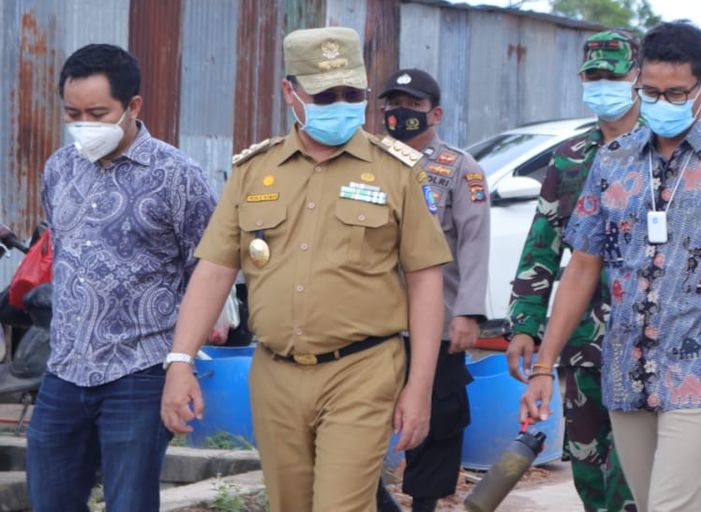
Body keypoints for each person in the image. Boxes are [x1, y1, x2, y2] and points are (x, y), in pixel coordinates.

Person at [160, 26, 450, 512]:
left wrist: (419, 388)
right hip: (275, 372)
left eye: (351, 93)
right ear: (290, 93)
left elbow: (425, 283)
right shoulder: (255, 170)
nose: (341, 104)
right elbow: (213, 269)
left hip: (363, 370)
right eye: (325, 94)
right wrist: (180, 362)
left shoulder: (396, 171)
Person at [520, 20, 701, 512]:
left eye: (675, 93)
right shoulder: (613, 159)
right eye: (649, 91)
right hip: (625, 374)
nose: (661, 103)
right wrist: (545, 365)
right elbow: (581, 268)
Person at [27, 44, 217, 512]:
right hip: (65, 368)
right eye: (73, 112)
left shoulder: (178, 177)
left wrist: (182, 363)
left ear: (133, 106)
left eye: (97, 112)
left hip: (139, 370)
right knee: (49, 499)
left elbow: (209, 271)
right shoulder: (59, 168)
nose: (83, 124)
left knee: (130, 503)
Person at [506, 31, 642, 512]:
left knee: (638, 479)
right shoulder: (570, 158)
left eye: (614, 75)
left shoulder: (664, 149)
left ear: (637, 77)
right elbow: (541, 245)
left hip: (650, 345)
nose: (603, 84)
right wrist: (524, 324)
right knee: (589, 469)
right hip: (583, 342)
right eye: (593, 76)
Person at [375, 67, 490, 512]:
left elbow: (475, 243)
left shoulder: (459, 169)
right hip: (376, 320)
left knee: (437, 421)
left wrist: (468, 312)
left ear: (435, 113)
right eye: (391, 104)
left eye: (412, 106)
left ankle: (423, 506)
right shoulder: (367, 162)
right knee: (360, 419)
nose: (399, 113)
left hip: (439, 322)